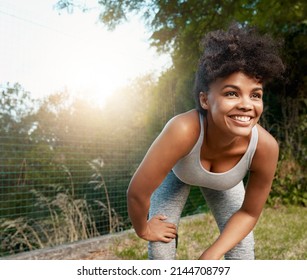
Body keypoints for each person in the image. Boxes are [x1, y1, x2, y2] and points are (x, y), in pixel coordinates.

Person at [127, 23, 285, 260]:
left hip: (226, 184)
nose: (246, 104)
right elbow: (137, 192)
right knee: (161, 249)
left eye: (255, 94)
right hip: (179, 173)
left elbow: (249, 214)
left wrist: (209, 257)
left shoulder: (265, 147)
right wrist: (143, 229)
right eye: (231, 93)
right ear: (204, 100)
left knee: (242, 251)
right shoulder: (182, 130)